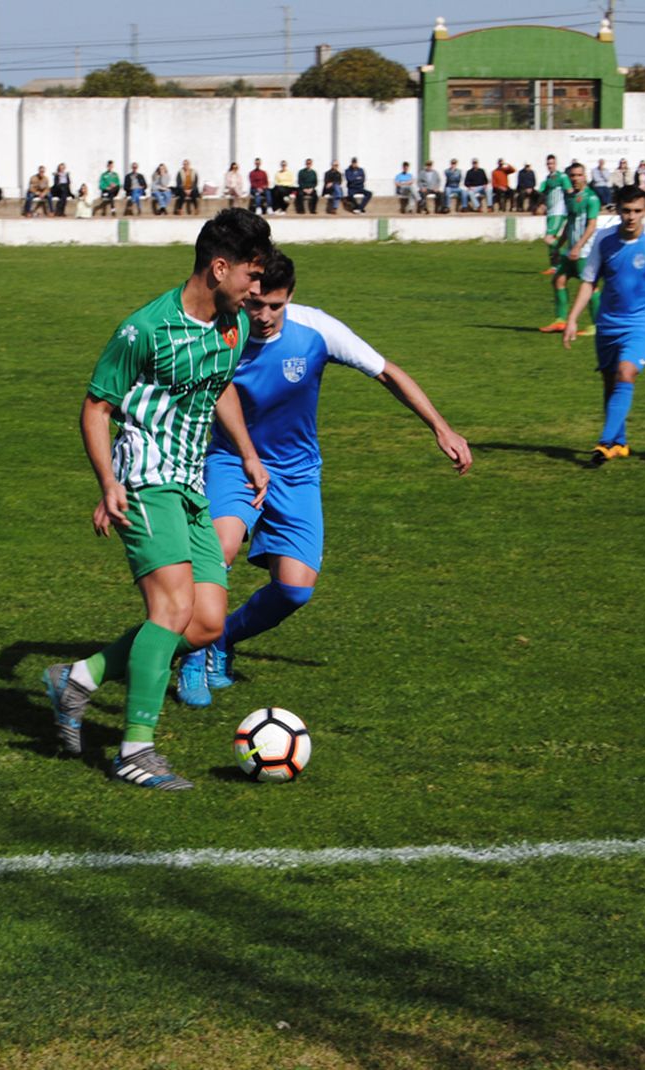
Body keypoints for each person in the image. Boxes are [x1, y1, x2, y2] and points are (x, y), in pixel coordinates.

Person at [41, 208, 274, 790]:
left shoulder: (234, 325)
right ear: (219, 268)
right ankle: (135, 750)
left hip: (193, 484)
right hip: (145, 479)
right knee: (169, 609)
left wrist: (246, 451)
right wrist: (108, 482)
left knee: (203, 624)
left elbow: (218, 388)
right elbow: (96, 407)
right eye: (250, 276)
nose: (257, 290)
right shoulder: (144, 329)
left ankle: (80, 677)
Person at [177, 250, 472, 706]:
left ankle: (222, 638)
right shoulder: (222, 331)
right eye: (255, 303)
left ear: (290, 297)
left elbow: (386, 371)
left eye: (275, 305)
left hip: (296, 472)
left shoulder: (316, 329)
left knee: (294, 589)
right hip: (234, 461)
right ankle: (194, 655)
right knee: (221, 549)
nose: (264, 316)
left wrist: (441, 426)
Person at [562, 185, 645, 465]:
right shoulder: (604, 240)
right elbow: (589, 281)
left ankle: (603, 443)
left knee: (626, 374)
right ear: (617, 211)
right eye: (626, 211)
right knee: (609, 382)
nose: (631, 217)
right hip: (607, 323)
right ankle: (620, 442)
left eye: (637, 211)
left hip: (642, 324)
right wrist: (572, 318)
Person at [541, 162, 602, 334]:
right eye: (572, 176)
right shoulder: (570, 198)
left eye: (579, 175)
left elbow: (591, 226)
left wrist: (579, 246)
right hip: (571, 250)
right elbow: (570, 224)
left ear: (585, 176)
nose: (575, 179)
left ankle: (597, 326)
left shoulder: (591, 198)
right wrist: (559, 245)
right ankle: (560, 321)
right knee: (558, 280)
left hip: (585, 251)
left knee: (590, 286)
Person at [538, 155, 572, 274]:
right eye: (548, 164)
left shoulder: (562, 177)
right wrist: (542, 204)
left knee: (548, 238)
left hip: (559, 211)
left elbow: (570, 191)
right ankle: (554, 267)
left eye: (552, 163)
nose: (550, 165)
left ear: (556, 164)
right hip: (551, 212)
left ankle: (569, 258)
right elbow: (542, 193)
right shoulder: (548, 179)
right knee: (551, 240)